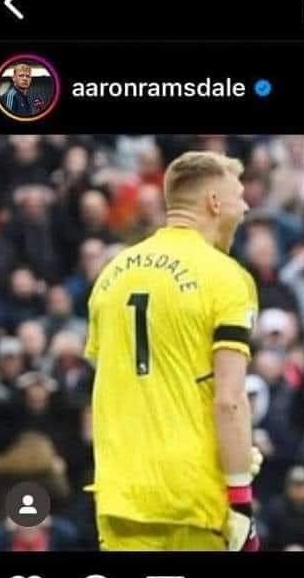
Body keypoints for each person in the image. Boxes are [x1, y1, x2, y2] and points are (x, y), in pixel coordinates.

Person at [85, 151, 263, 551]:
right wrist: (239, 492)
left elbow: (112, 378)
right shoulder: (226, 278)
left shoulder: (110, 275)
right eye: (239, 196)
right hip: (193, 496)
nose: (245, 207)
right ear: (214, 202)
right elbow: (230, 399)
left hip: (120, 493)